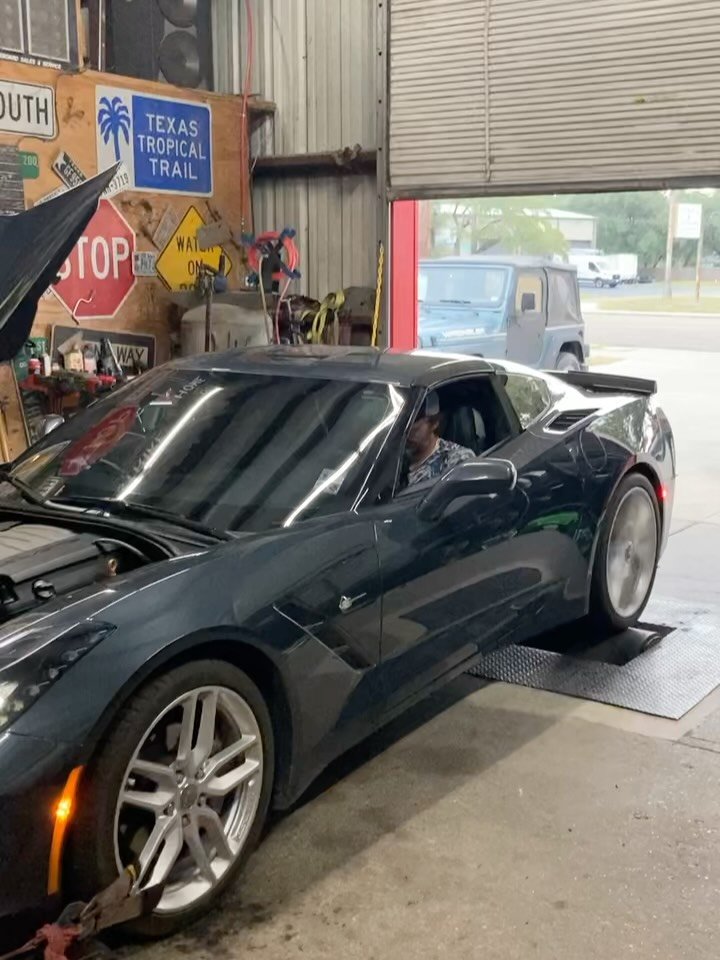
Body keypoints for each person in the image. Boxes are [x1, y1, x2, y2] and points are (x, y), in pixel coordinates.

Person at [406, 391, 475, 487]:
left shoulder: (455, 461)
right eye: (403, 427)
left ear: (434, 423)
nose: (407, 434)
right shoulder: (389, 453)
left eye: (414, 428)